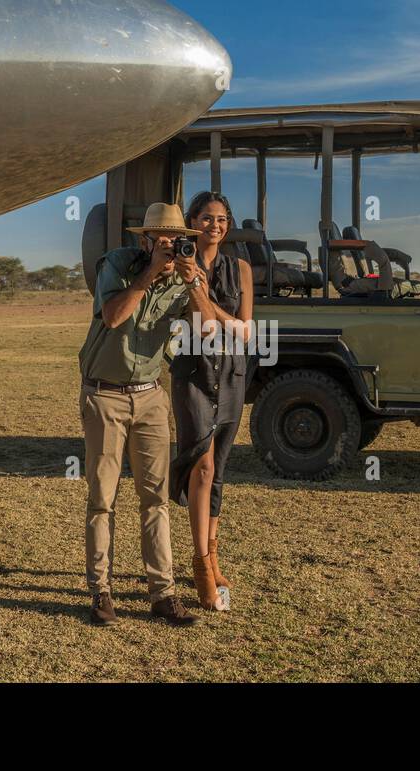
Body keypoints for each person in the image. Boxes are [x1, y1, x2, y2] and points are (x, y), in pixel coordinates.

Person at [78, 203, 201, 627]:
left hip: (151, 396)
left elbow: (207, 329)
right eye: (160, 239)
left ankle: (163, 594)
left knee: (155, 500)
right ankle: (101, 592)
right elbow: (113, 317)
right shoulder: (116, 264)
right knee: (102, 499)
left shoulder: (186, 276)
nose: (170, 246)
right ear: (143, 240)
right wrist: (150, 272)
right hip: (105, 396)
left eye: (176, 239)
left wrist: (193, 283)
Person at [168, 191, 254, 611]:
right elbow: (203, 329)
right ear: (191, 222)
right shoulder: (177, 267)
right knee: (199, 465)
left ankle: (212, 555)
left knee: (217, 470)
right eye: (206, 218)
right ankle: (202, 567)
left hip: (232, 374)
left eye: (221, 219)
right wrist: (221, 314)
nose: (214, 225)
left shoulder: (241, 269)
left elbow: (246, 332)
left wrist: (221, 314)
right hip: (193, 374)